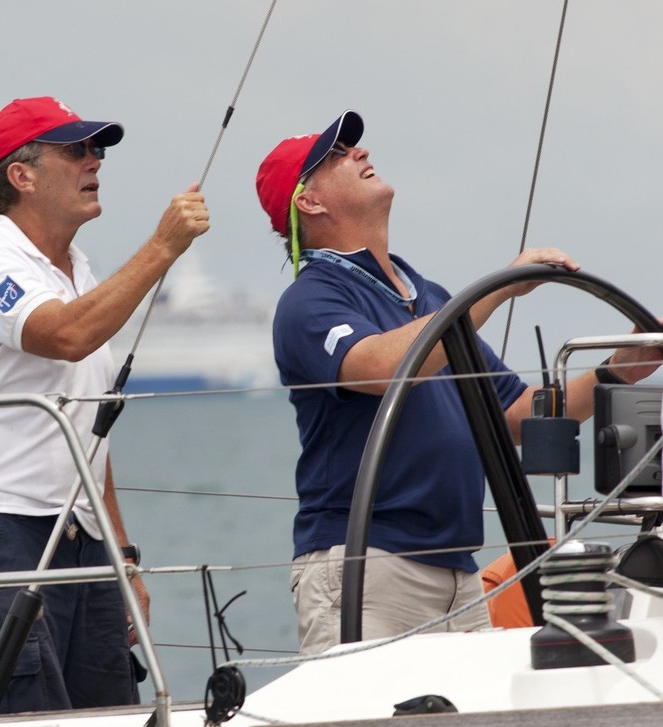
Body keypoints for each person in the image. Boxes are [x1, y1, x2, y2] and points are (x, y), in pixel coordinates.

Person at [255, 109, 663, 653]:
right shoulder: (310, 300)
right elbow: (384, 368)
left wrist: (625, 363)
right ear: (309, 201)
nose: (361, 152)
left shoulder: (427, 297)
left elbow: (517, 413)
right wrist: (497, 289)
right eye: (337, 154)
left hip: (456, 570)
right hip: (365, 567)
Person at [0, 96, 209, 712]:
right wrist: (162, 248)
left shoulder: (76, 269)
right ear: (21, 175)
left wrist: (124, 555)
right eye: (75, 149)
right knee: (25, 726)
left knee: (114, 724)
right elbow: (65, 336)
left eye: (95, 149)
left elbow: (89, 434)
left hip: (83, 536)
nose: (94, 161)